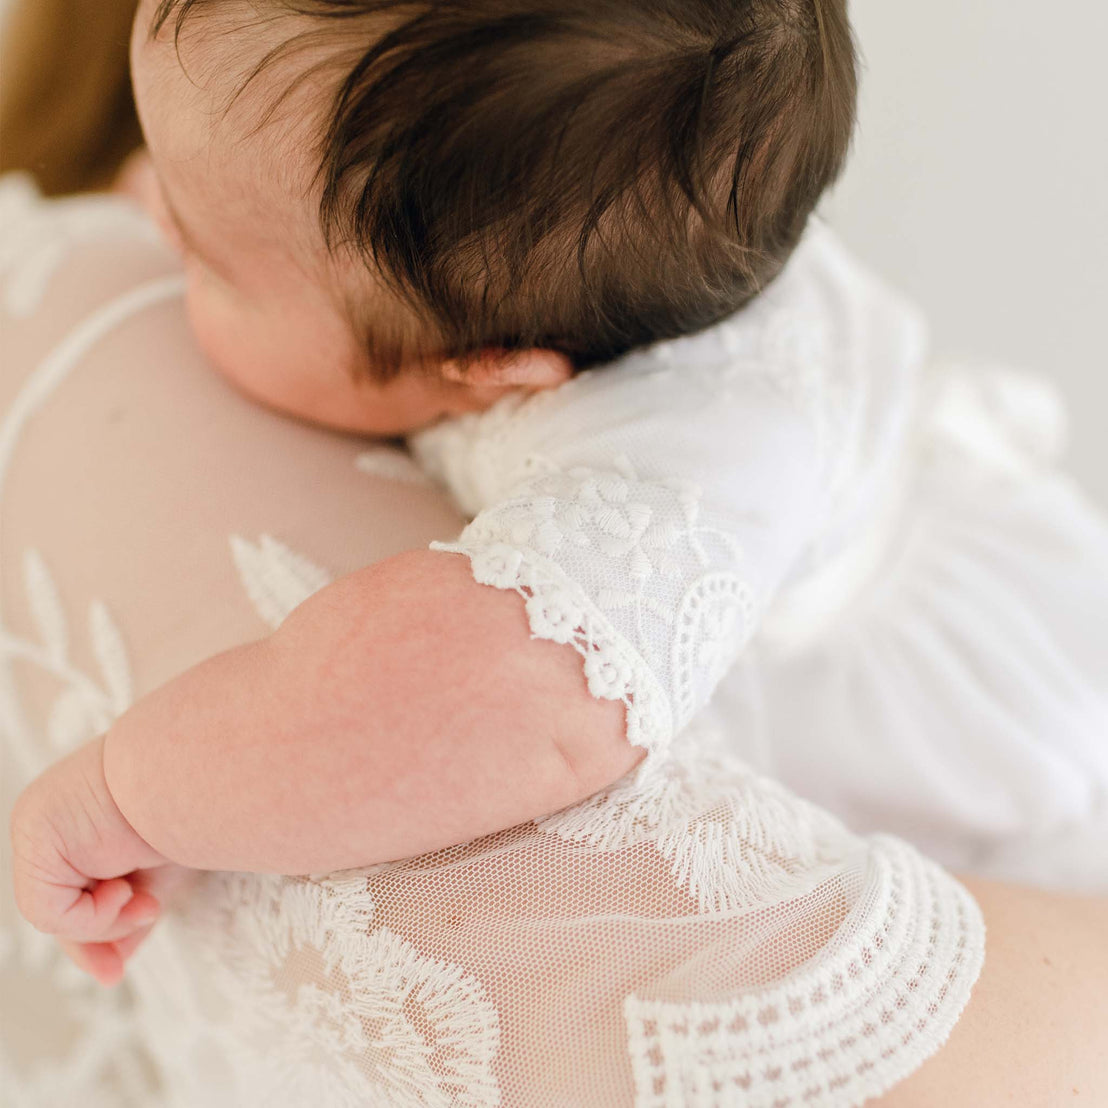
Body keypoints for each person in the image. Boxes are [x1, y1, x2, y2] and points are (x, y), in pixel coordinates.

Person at [4, 0, 1107, 1100]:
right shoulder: (573, 246)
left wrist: (130, 792)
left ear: (492, 370)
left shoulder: (676, 464)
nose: (143, 220)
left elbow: (478, 696)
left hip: (1010, 818)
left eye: (208, 256)